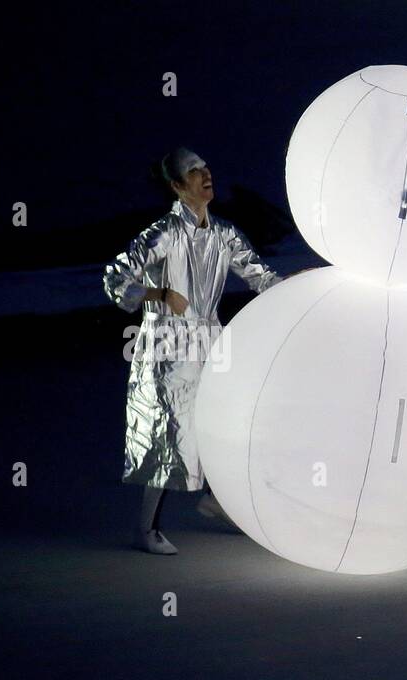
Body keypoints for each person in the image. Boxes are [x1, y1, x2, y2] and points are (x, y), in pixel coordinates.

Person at [102, 147, 285, 554]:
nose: (205, 174)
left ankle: (217, 502)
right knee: (169, 430)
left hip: (210, 339)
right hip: (166, 344)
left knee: (227, 421)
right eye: (194, 171)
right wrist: (159, 293)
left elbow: (258, 275)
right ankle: (146, 528)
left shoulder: (223, 233)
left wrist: (296, 284)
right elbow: (115, 278)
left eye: (206, 167)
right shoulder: (162, 234)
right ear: (177, 186)